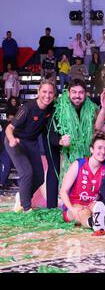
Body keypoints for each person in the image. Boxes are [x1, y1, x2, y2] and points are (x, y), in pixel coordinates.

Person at [45, 78, 99, 208]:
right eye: (74, 92)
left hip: (81, 147)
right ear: (68, 92)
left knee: (81, 168)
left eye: (81, 93)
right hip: (55, 141)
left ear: (86, 94)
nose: (77, 96)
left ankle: (80, 200)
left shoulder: (91, 107)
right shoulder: (59, 107)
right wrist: (59, 141)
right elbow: (50, 132)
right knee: (54, 170)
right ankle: (52, 207)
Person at [4, 79, 56, 212]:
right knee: (27, 172)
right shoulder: (27, 108)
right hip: (17, 141)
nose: (47, 95)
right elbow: (9, 128)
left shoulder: (51, 107)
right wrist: (11, 139)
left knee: (39, 177)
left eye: (50, 92)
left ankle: (22, 198)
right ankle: (26, 208)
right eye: (44, 91)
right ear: (38, 92)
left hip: (31, 143)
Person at [59, 133, 105, 231]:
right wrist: (71, 208)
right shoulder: (78, 164)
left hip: (93, 204)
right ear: (91, 149)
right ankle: (94, 223)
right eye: (99, 148)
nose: (103, 151)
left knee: (97, 206)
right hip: (74, 205)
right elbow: (63, 191)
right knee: (83, 211)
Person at [0, 110, 16, 188]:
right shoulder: (3, 125)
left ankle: (2, 182)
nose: (11, 121)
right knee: (6, 165)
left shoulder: (14, 127)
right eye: (10, 119)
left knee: (7, 165)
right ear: (7, 118)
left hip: (6, 148)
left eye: (13, 119)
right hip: (3, 148)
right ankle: (3, 182)